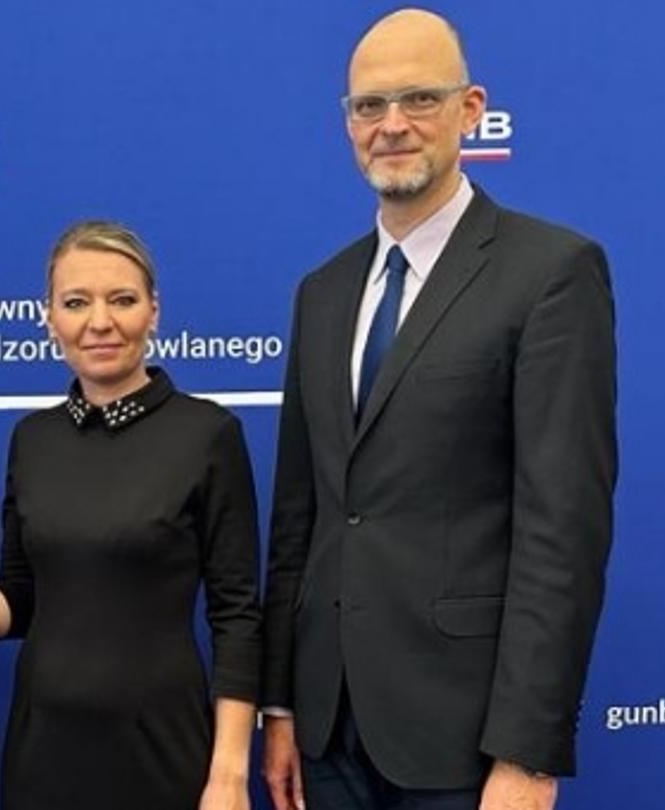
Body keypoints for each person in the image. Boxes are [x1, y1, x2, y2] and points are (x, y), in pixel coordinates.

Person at [258, 9, 618, 810]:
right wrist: (280, 706)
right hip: (326, 732)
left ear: (472, 109)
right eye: (368, 106)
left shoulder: (551, 272)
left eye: (419, 99)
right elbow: (299, 518)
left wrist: (528, 752)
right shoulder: (322, 293)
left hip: (466, 738)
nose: (391, 126)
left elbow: (563, 530)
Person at [0, 222, 263, 810]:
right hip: (44, 753)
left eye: (122, 300)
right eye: (76, 302)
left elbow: (237, 617)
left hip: (164, 750)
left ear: (154, 311)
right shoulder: (32, 439)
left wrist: (231, 773)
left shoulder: (207, 433)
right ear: (50, 318)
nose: (99, 322)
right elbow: (18, 607)